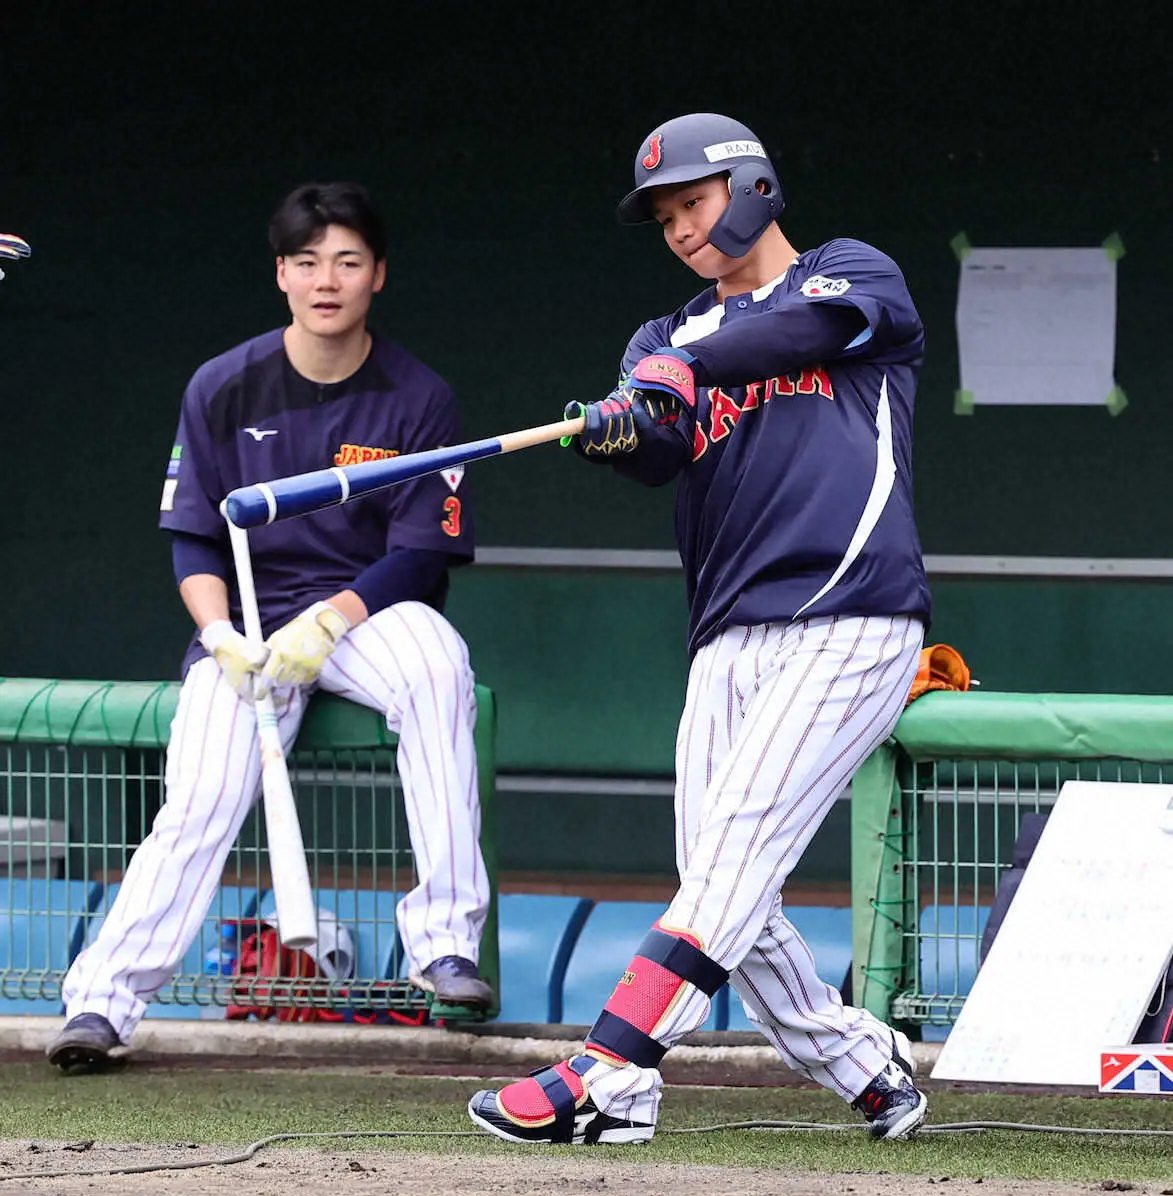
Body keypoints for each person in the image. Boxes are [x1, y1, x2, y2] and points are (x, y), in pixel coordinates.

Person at [468, 113, 932, 1144]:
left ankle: (607, 1070)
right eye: (665, 217)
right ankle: (865, 1071)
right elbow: (659, 446)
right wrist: (618, 428)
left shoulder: (852, 273)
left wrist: (689, 365)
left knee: (729, 868)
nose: (680, 228)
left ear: (753, 186)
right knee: (730, 886)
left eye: (695, 201)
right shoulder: (657, 340)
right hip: (725, 638)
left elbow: (801, 332)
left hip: (848, 616)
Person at [48, 182, 493, 1072]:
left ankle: (444, 945)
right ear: (281, 275)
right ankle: (101, 1005)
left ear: (378, 276)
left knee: (440, 666)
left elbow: (419, 556)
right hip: (249, 624)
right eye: (306, 261)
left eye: (347, 260)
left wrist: (328, 622)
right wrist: (219, 635)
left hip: (368, 614)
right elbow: (194, 542)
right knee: (202, 796)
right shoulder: (223, 385)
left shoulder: (416, 396)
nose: (326, 278)